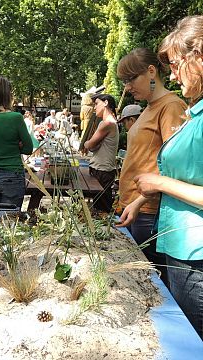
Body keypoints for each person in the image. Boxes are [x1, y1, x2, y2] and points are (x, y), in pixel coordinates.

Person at [134, 15, 203, 339]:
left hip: (196, 253)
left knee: (191, 340)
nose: (172, 75)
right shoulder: (195, 110)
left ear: (199, 57)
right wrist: (139, 199)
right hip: (180, 246)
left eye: (176, 65)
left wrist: (157, 184)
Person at [116, 48, 187, 285]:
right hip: (132, 209)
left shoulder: (172, 106)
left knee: (152, 285)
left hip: (148, 212)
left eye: (131, 79)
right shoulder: (147, 107)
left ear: (151, 71)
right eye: (124, 81)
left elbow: (174, 165)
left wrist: (139, 202)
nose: (127, 87)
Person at [0, 75, 33, 211]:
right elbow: (28, 148)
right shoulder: (15, 118)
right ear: (7, 94)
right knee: (10, 224)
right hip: (12, 174)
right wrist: (15, 146)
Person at [84, 94, 119, 213]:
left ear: (106, 103)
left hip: (102, 172)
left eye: (96, 104)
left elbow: (89, 145)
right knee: (99, 208)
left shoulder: (107, 124)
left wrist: (87, 144)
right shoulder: (109, 123)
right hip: (102, 170)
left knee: (102, 211)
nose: (94, 108)